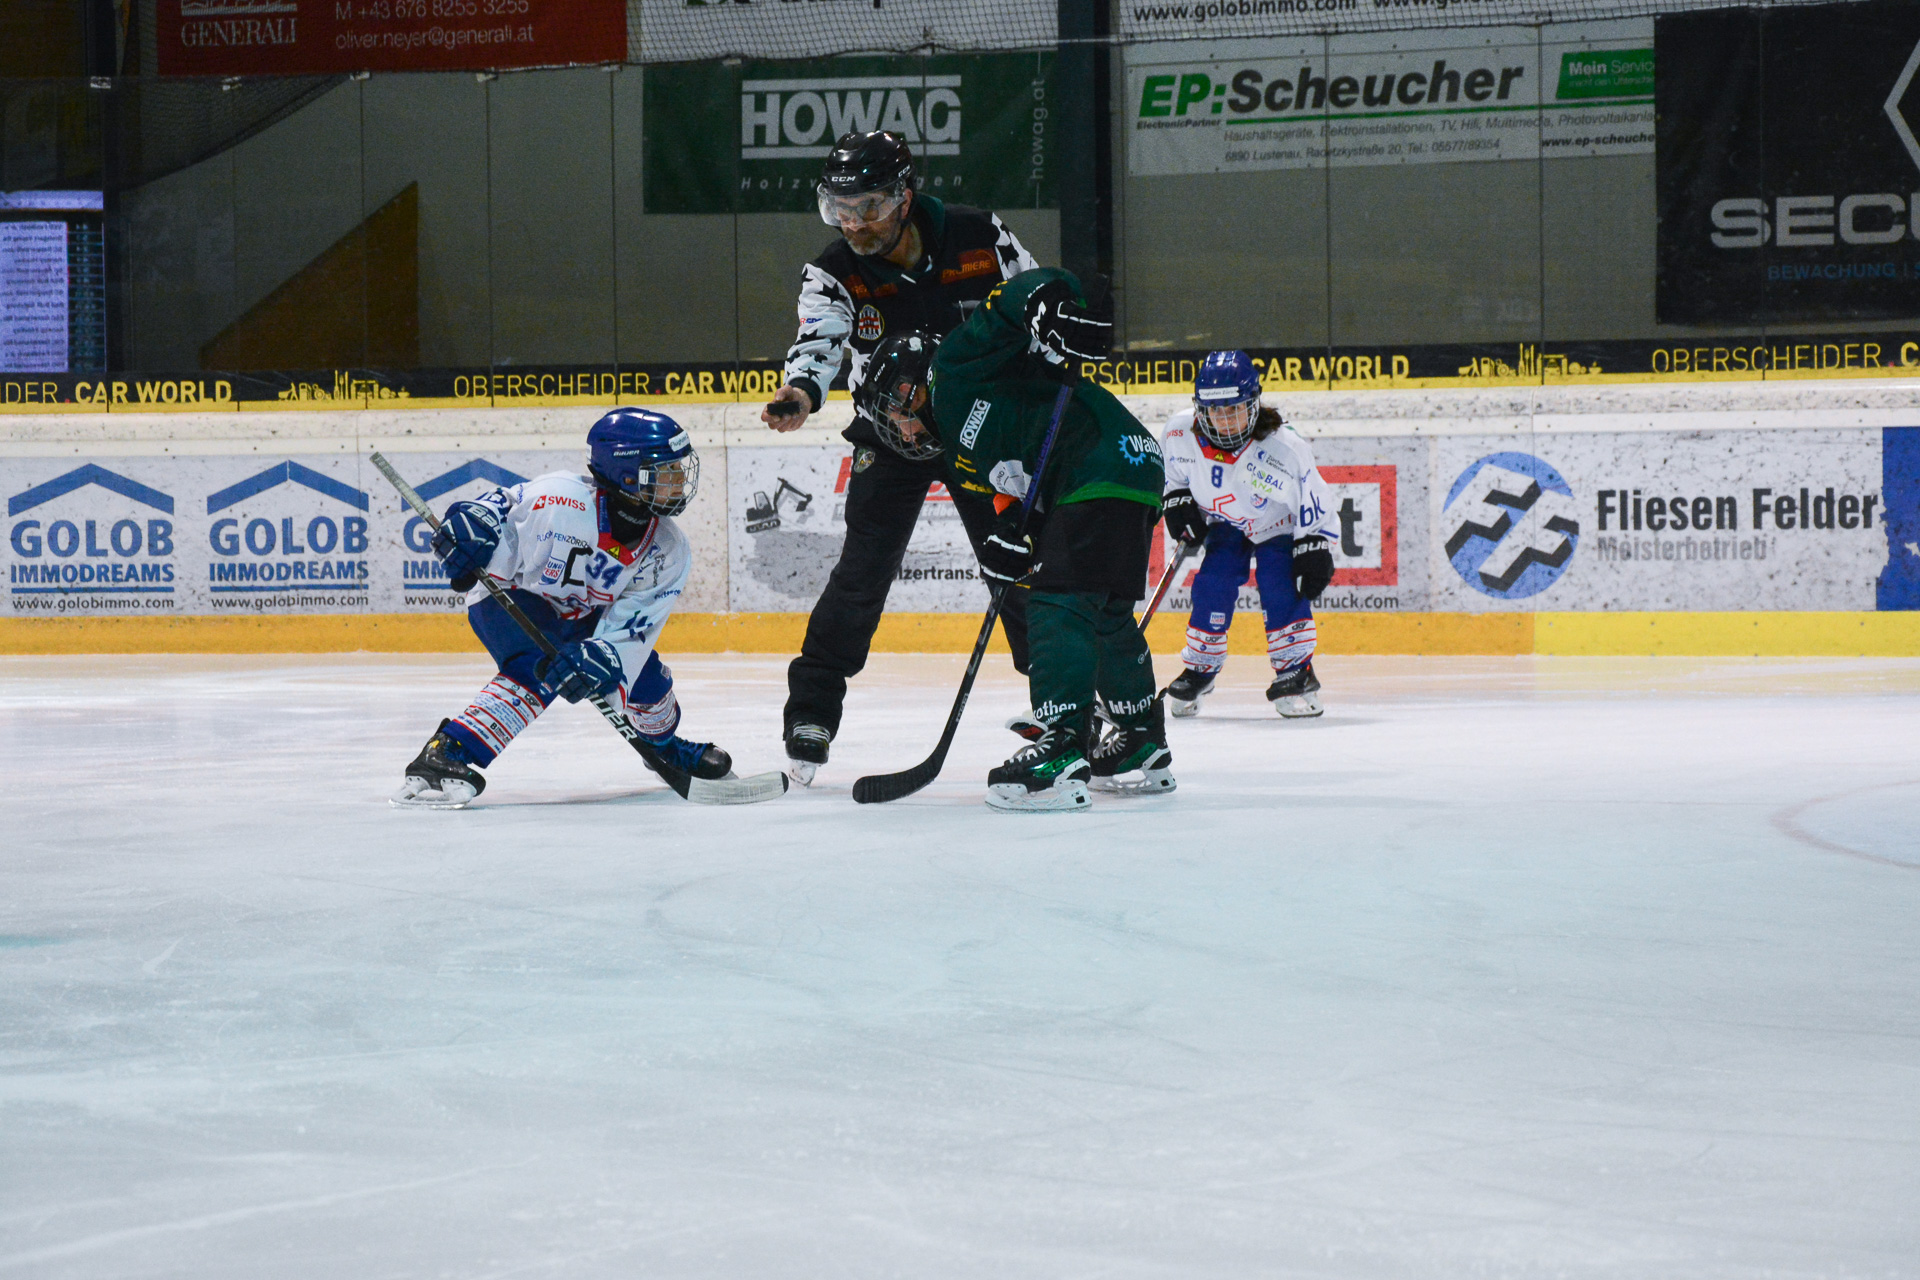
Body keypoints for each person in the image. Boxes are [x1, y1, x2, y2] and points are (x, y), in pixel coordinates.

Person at [760, 129, 1041, 786]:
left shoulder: (980, 236)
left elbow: (1037, 303)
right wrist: (801, 391)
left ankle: (1062, 700)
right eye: (841, 209)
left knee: (1019, 565)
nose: (855, 224)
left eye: (869, 207)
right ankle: (812, 712)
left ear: (904, 196)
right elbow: (819, 342)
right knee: (861, 574)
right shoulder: (834, 270)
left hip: (979, 429)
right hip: (890, 434)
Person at [393, 409, 731, 808]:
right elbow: (494, 508)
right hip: (513, 593)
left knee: (648, 682)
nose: (679, 480)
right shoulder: (560, 497)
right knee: (540, 665)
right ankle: (447, 751)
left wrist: (605, 656)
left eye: (678, 469)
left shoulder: (668, 550)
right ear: (626, 475)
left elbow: (634, 629)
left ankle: (662, 747)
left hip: (582, 614)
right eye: (666, 471)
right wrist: (471, 525)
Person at [928, 265, 1170, 812]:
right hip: (1128, 466)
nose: (902, 425)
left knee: (1057, 605)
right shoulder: (961, 459)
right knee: (1104, 612)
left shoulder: (952, 372)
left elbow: (1001, 310)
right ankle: (1140, 735)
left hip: (1099, 462)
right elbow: (1020, 504)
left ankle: (1061, 745)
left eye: (895, 407)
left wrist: (1045, 298)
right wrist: (1012, 539)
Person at [1158, 351, 1338, 719]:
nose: (1225, 420)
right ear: (1200, 409)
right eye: (1215, 411)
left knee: (1279, 581)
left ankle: (1296, 670)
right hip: (1226, 522)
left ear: (1254, 405)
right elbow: (1172, 478)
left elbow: (1313, 494)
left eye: (1234, 409)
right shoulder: (1178, 433)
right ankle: (1200, 668)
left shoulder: (1283, 446)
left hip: (1277, 524)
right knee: (1213, 582)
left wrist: (1314, 544)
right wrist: (1177, 502)